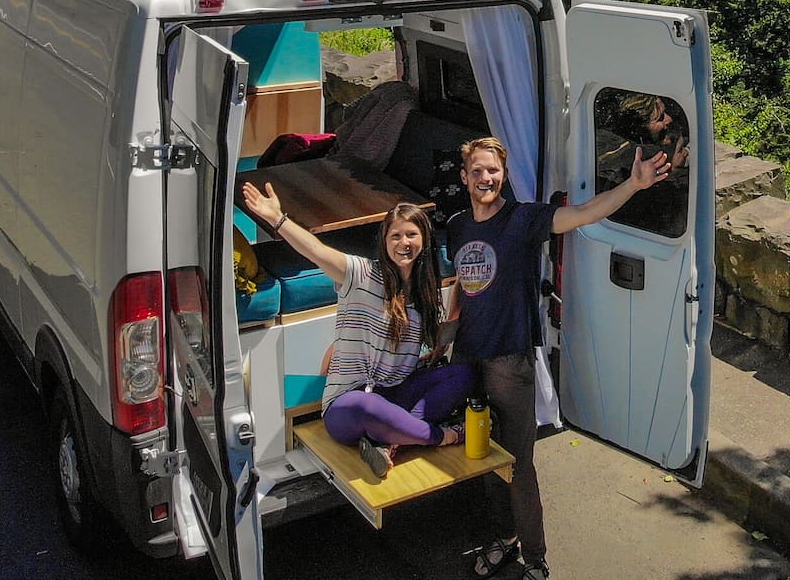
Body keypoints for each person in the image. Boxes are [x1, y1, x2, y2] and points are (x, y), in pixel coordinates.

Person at [448, 135, 672, 580]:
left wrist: (633, 186)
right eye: (477, 171)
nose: (486, 178)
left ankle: (535, 558)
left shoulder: (523, 219)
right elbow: (459, 285)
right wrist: (444, 335)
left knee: (518, 463)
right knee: (482, 456)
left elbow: (585, 214)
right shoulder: (457, 226)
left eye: (493, 170)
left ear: (504, 174)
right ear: (464, 177)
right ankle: (504, 539)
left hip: (510, 361)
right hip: (468, 357)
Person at [238, 186, 475, 480]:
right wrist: (278, 219)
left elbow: (436, 338)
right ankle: (439, 436)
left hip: (395, 395)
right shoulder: (361, 274)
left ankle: (392, 439)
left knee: (462, 375)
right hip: (350, 405)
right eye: (396, 236)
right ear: (385, 242)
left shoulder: (425, 291)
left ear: (424, 239)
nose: (404, 242)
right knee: (369, 405)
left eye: (412, 235)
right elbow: (316, 251)